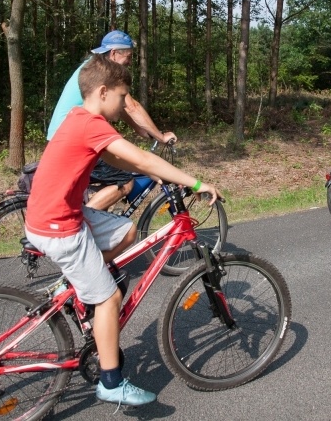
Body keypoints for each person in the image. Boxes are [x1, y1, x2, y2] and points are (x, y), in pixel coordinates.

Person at [25, 54, 222, 406]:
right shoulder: (92, 123)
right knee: (109, 298)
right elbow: (141, 157)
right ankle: (111, 383)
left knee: (125, 232)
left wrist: (159, 173)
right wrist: (195, 182)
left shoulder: (79, 117)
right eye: (121, 97)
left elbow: (116, 157)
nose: (123, 104)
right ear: (102, 92)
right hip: (60, 225)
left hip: (58, 214)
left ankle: (81, 283)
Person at [47, 30, 177, 211]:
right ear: (114, 53)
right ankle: (83, 223)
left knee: (113, 179)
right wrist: (160, 136)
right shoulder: (104, 73)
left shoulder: (92, 67)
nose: (130, 62)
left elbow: (121, 107)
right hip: (74, 140)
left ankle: (98, 225)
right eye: (129, 56)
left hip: (63, 137)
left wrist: (139, 129)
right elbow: (131, 107)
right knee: (125, 181)